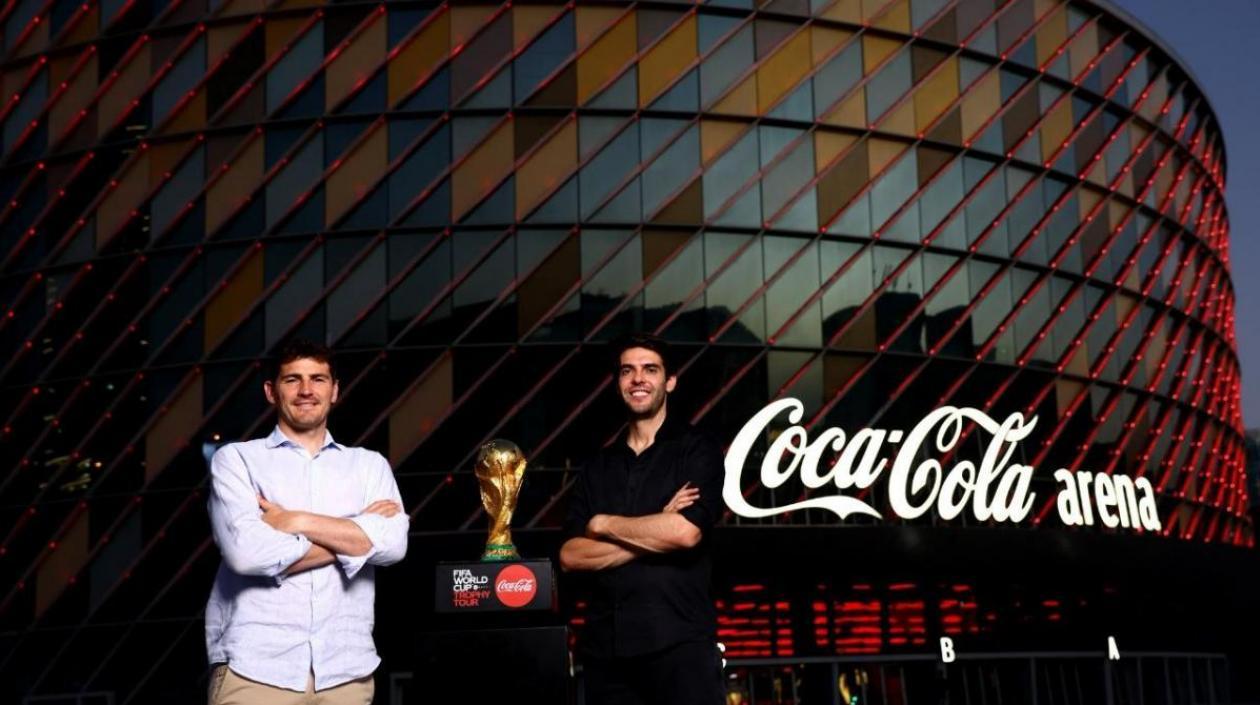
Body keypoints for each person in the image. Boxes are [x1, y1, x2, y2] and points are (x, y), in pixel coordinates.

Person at [204, 340, 408, 705]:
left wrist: (293, 520)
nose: (306, 390)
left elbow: (393, 546)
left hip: (345, 672)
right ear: (271, 391)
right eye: (292, 379)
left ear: (334, 391)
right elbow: (247, 554)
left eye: (318, 379)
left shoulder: (369, 466)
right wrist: (358, 532)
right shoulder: (237, 460)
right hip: (255, 670)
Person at [560, 333, 725, 705]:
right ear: (618, 383)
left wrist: (603, 525)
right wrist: (656, 524)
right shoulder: (598, 466)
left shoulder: (697, 450)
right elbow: (570, 556)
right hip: (607, 654)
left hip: (681, 647)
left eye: (650, 369)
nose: (638, 379)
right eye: (627, 371)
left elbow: (684, 533)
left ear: (670, 381)